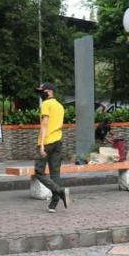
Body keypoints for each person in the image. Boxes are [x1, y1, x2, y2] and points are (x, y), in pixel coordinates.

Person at [34, 82, 71, 213]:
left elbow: (44, 124)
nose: (40, 94)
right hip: (58, 141)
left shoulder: (46, 104)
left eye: (41, 91)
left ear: (49, 91)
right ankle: (53, 204)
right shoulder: (60, 106)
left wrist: (42, 145)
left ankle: (59, 191)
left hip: (47, 141)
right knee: (55, 172)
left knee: (38, 171)